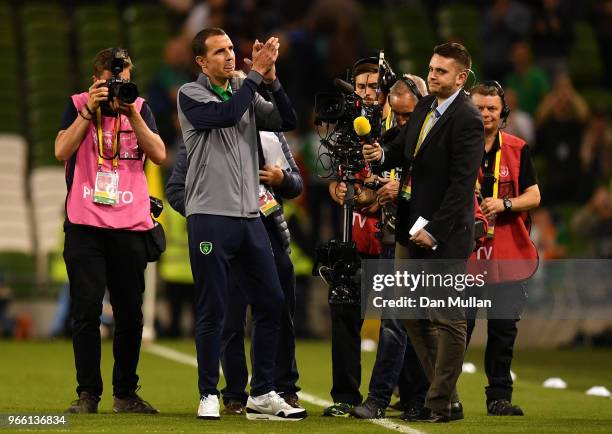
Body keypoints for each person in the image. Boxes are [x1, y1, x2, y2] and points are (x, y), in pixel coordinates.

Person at [176, 27, 305, 421]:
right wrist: (254, 77)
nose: (230, 56)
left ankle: (263, 392)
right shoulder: (191, 94)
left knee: (272, 302)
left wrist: (272, 79)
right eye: (219, 51)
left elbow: (287, 119)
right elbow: (226, 116)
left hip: (250, 216)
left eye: (232, 48)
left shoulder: (243, 89)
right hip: (210, 216)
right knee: (214, 307)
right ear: (201, 61)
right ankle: (208, 393)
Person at [364, 42, 484, 423]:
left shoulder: (467, 118)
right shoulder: (424, 106)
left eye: (441, 71)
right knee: (410, 313)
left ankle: (438, 402)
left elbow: (462, 185)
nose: (432, 75)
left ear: (461, 78)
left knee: (447, 318)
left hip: (443, 234)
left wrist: (434, 230)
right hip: (409, 225)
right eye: (431, 69)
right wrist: (381, 156)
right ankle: (444, 395)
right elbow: (403, 151)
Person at [55, 48, 166, 414]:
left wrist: (132, 113)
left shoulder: (140, 107)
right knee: (86, 311)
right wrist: (89, 110)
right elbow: (61, 150)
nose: (117, 86)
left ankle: (125, 393)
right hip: (85, 224)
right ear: (95, 79)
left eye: (123, 79)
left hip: (130, 225)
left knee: (131, 314)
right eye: (110, 80)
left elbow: (159, 153)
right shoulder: (77, 104)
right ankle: (88, 393)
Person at [165, 128, 305, 415]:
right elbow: (176, 189)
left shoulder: (270, 134)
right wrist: (206, 215)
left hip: (269, 232)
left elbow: (297, 184)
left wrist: (283, 179)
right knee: (229, 318)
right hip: (223, 235)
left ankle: (282, 388)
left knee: (278, 310)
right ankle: (233, 394)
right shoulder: (201, 135)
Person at [351, 74, 430, 420]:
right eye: (395, 115)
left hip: (429, 239)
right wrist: (371, 187)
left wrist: (402, 189)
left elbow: (447, 187)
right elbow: (373, 185)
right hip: (394, 236)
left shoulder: (438, 139)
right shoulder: (394, 137)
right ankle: (412, 398)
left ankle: (384, 397)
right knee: (399, 321)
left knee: (406, 322)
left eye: (406, 115)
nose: (400, 121)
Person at [467, 81, 541, 416]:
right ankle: (438, 394)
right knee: (456, 327)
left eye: (491, 108)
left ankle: (499, 397)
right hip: (466, 254)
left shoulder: (516, 148)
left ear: (502, 113)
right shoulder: (454, 147)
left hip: (507, 254)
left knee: (503, 329)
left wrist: (506, 202)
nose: (485, 114)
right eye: (478, 107)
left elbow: (535, 196)